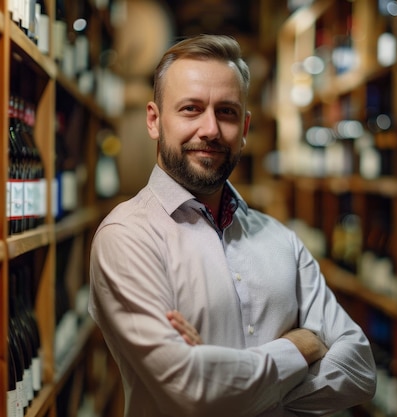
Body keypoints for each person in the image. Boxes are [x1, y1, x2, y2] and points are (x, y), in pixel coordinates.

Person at [88, 34, 376, 417]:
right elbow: (192, 391)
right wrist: (301, 348)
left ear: (244, 126)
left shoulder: (280, 239)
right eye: (191, 109)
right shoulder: (126, 238)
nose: (210, 129)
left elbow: (359, 371)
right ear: (154, 120)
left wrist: (224, 379)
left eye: (226, 112)